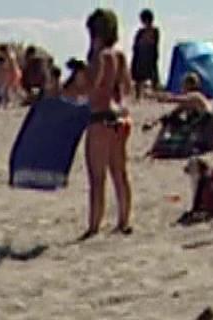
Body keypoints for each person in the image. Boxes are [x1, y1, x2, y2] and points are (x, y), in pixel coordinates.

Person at [82, 9, 134, 237]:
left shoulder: (100, 56)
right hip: (120, 118)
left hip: (100, 118)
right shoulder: (120, 56)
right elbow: (128, 87)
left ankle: (94, 225)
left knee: (97, 178)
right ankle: (124, 220)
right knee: (120, 174)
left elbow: (92, 86)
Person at [132, 9, 162, 99]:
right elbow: (135, 45)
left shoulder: (155, 31)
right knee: (138, 77)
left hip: (149, 57)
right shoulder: (140, 32)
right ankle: (138, 96)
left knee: (153, 76)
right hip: (140, 57)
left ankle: (156, 95)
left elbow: (154, 44)